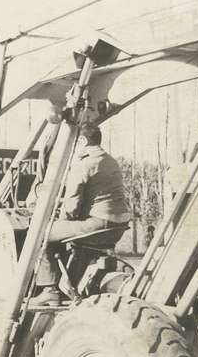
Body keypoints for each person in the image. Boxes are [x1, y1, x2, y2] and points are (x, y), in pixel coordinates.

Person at [31, 121, 131, 304]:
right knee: (64, 232)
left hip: (99, 225)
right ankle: (69, 282)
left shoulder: (84, 163)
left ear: (82, 140)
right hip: (118, 227)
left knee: (41, 233)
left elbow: (72, 206)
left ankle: (49, 290)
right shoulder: (111, 160)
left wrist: (59, 219)